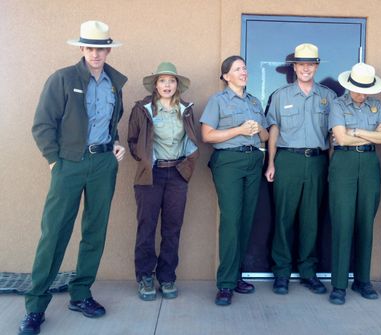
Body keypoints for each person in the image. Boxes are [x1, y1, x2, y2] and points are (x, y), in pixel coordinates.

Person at [20, 21, 127, 334]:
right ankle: (36, 305)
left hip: (103, 165)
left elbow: (110, 122)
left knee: (95, 232)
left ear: (108, 50)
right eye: (89, 47)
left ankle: (81, 294)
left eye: (100, 48)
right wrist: (55, 162)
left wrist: (115, 144)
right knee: (54, 233)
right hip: (69, 165)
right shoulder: (63, 79)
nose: (95, 53)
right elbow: (42, 124)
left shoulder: (113, 84)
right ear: (82, 49)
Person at [265, 43, 336, 295]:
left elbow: (333, 135)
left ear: (316, 67)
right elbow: (273, 131)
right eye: (301, 64)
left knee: (311, 220)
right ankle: (282, 272)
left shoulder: (329, 96)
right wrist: (271, 163)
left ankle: (308, 271)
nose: (305, 69)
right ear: (294, 67)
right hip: (288, 160)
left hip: (317, 162)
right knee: (284, 218)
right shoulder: (280, 95)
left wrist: (332, 167)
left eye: (310, 64)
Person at [200, 55, 269, 306]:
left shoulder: (254, 101)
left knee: (246, 220)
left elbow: (263, 135)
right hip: (228, 162)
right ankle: (226, 284)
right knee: (231, 220)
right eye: (238, 69)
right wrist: (239, 130)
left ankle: (237, 276)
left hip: (253, 161)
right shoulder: (218, 101)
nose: (244, 72)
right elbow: (207, 135)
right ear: (226, 76)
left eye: (245, 68)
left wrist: (256, 129)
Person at [128, 62, 199, 301]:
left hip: (177, 174)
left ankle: (167, 276)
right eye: (162, 81)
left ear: (177, 85)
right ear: (155, 85)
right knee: (146, 227)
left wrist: (187, 164)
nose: (166, 85)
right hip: (151, 175)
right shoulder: (142, 108)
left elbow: (192, 139)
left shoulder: (186, 109)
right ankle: (145, 276)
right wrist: (147, 160)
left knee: (172, 228)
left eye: (171, 81)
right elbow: (133, 141)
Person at [328, 63, 381, 305]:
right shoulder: (338, 104)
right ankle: (339, 285)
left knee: (366, 221)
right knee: (343, 222)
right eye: (358, 89)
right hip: (343, 164)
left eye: (366, 90)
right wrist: (366, 133)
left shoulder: (376, 106)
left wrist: (357, 132)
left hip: (369, 164)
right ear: (349, 85)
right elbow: (340, 138)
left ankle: (362, 280)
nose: (362, 94)